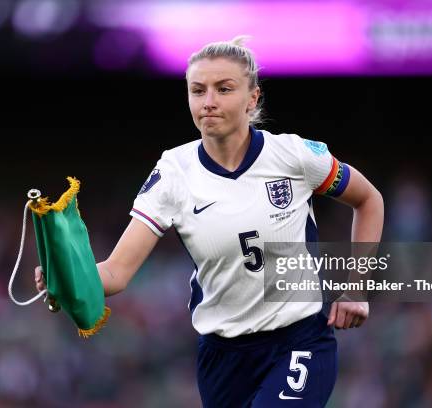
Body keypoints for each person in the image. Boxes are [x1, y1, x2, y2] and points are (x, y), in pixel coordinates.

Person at [35, 36, 383, 407]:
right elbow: (116, 275)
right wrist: (65, 274)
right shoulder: (172, 173)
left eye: (224, 89)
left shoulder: (294, 155)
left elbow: (368, 200)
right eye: (198, 91)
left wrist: (356, 289)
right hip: (222, 357)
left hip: (299, 341)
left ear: (253, 98)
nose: (209, 102)